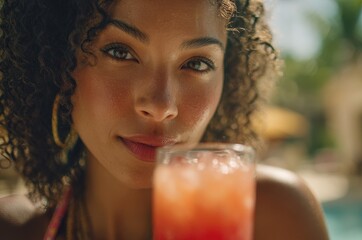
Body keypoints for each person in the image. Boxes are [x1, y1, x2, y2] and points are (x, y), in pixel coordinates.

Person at [0, 0, 329, 239]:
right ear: (60, 65)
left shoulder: (277, 218)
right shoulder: (12, 229)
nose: (161, 105)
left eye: (197, 64)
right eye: (120, 52)